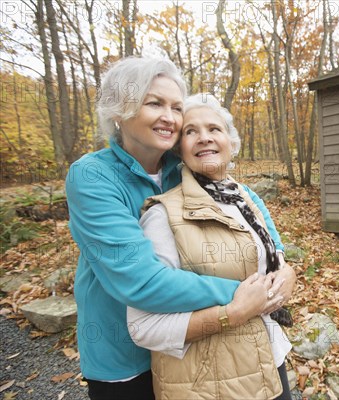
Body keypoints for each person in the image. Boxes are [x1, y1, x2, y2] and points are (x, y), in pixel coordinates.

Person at [65, 57, 290, 400]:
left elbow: (244, 200)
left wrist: (282, 261)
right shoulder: (93, 176)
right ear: (117, 110)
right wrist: (247, 295)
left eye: (175, 107)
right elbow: (141, 281)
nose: (169, 117)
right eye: (154, 103)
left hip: (192, 345)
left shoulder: (181, 164)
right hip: (127, 357)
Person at [126, 93, 296, 400]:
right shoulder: (163, 215)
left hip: (270, 359)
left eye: (214, 129)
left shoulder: (243, 199)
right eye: (191, 131)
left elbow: (269, 260)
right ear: (179, 150)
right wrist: (232, 313)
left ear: (231, 142)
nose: (204, 138)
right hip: (209, 386)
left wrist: (286, 273)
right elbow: (143, 326)